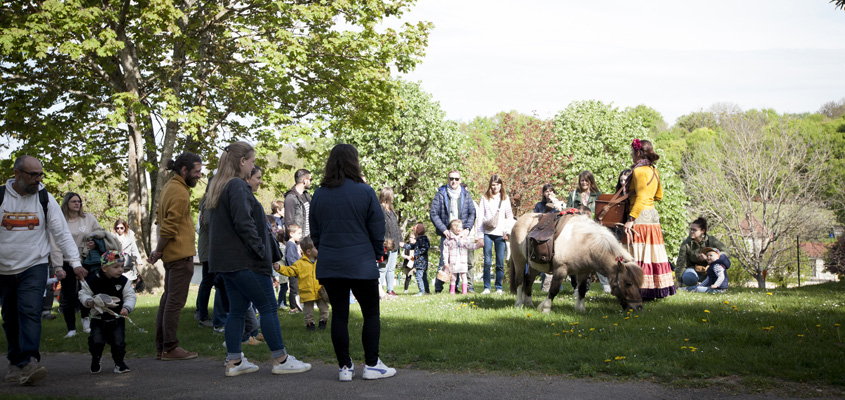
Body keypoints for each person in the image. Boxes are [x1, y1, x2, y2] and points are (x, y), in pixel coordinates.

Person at [206, 141, 311, 377]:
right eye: (252, 161)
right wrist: (262, 253)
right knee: (268, 307)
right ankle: (281, 360)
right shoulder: (237, 186)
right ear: (242, 161)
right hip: (245, 262)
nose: (253, 166)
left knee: (237, 309)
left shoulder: (219, 186)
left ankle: (234, 361)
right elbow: (245, 225)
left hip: (227, 263)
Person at [310, 143, 396, 382]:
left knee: (339, 315)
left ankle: (344, 367)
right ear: (354, 162)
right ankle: (371, 364)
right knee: (370, 314)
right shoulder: (365, 191)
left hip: (330, 263)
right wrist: (374, 250)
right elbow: (377, 228)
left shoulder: (319, 193)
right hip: (360, 263)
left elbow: (314, 231)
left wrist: (325, 247)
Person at [1, 155, 81, 385]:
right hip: (3, 269)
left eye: (40, 175)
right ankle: (15, 363)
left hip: (34, 265)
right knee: (10, 317)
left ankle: (29, 361)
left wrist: (74, 263)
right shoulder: (1, 197)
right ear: (17, 174)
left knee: (29, 310)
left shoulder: (45, 198)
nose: (38, 179)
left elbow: (61, 233)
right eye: (33, 175)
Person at [148, 152, 202, 361]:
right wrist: (159, 250)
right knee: (174, 303)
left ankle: (162, 348)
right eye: (196, 171)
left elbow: (160, 220)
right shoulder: (179, 192)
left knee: (167, 301)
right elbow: (168, 227)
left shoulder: (170, 186)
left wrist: (159, 251)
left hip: (173, 256)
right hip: (180, 256)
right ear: (184, 170)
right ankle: (170, 348)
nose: (199, 175)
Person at [623, 139, 675, 300]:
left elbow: (641, 197)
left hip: (640, 216)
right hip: (652, 215)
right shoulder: (654, 170)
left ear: (638, 153)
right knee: (652, 254)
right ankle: (653, 290)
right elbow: (659, 196)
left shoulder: (638, 172)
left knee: (638, 253)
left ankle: (639, 290)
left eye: (632, 152)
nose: (631, 155)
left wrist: (631, 218)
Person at [51, 192, 103, 338]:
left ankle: (86, 322)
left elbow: (100, 232)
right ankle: (71, 328)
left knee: (86, 292)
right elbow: (54, 245)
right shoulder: (59, 221)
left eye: (79, 201)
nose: (77, 203)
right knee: (68, 295)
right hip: (66, 262)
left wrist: (94, 241)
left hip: (86, 261)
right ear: (66, 203)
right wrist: (58, 267)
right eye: (73, 201)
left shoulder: (87, 218)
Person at [79, 251, 136, 374]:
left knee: (118, 342)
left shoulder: (123, 281)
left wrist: (127, 307)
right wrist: (88, 301)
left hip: (117, 317)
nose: (120, 270)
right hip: (98, 318)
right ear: (104, 268)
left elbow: (130, 296)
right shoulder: (92, 281)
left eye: (122, 266)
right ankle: (96, 358)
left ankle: (119, 363)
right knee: (97, 341)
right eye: (115, 267)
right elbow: (83, 294)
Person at [429, 170, 476, 294]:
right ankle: (438, 289)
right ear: (448, 179)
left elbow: (472, 213)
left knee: (461, 260)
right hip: (447, 233)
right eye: (451, 178)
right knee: (444, 260)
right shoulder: (441, 193)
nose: (453, 181)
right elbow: (433, 213)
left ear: (460, 180)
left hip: (462, 233)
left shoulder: (466, 194)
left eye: (456, 179)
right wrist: (443, 229)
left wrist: (467, 229)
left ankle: (456, 288)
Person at [277, 237, 329, 332]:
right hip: (307, 292)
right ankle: (310, 326)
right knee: (308, 312)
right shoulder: (300, 264)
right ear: (309, 251)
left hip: (320, 291)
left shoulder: (321, 261)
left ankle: (323, 323)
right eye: (316, 248)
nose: (318, 250)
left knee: (324, 309)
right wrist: (279, 268)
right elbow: (290, 270)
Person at [478, 175, 513, 294]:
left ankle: (499, 288)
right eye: (493, 184)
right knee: (487, 262)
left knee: (500, 262)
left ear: (501, 185)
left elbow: (509, 216)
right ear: (490, 185)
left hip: (500, 234)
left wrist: (508, 232)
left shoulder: (505, 198)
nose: (495, 187)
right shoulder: (484, 198)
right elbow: (480, 217)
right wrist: (480, 236)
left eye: (497, 184)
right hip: (488, 233)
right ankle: (487, 287)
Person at [676, 217, 729, 287]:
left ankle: (710, 285)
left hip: (711, 270)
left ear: (702, 231)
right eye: (691, 229)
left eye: (694, 230)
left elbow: (726, 252)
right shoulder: (686, 244)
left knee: (715, 275)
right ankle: (696, 286)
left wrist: (709, 257)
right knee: (688, 277)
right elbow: (681, 263)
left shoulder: (711, 240)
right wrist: (679, 281)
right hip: (694, 269)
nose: (691, 231)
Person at [443, 219, 484, 294]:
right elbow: (445, 251)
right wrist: (446, 262)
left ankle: (464, 292)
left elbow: (470, 245)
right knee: (453, 277)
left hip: (462, 260)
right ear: (452, 229)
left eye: (460, 227)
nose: (459, 229)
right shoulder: (448, 239)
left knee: (464, 276)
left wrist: (478, 245)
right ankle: (452, 291)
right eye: (457, 227)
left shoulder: (464, 238)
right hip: (453, 261)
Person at [378, 187, 401, 297]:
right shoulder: (379, 209)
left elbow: (396, 227)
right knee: (383, 268)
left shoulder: (392, 211)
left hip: (394, 244)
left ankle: (390, 289)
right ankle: (379, 289)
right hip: (385, 245)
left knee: (391, 269)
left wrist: (400, 240)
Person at [403, 223, 431, 296]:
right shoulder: (421, 239)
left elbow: (424, 249)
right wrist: (404, 245)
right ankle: (427, 291)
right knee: (424, 276)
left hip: (420, 262)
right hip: (423, 262)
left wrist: (416, 255)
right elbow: (412, 246)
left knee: (419, 276)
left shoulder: (421, 240)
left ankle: (421, 291)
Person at [284, 169, 312, 237]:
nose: (311, 182)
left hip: (308, 240)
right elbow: (289, 224)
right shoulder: (290, 198)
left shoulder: (306, 196)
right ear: (305, 181)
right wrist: (297, 243)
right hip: (298, 242)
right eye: (310, 179)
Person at [112, 219, 141, 286]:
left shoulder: (130, 237)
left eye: (121, 228)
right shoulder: (112, 237)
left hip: (128, 263)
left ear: (125, 227)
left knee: (128, 281)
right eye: (117, 228)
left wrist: (139, 261)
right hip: (116, 262)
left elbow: (134, 249)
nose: (119, 230)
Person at [285, 224, 304, 313]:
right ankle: (293, 308)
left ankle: (298, 305)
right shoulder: (290, 244)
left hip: (296, 271)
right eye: (298, 233)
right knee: (294, 289)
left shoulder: (294, 244)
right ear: (291, 234)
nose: (300, 235)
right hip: (293, 271)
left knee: (297, 289)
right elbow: (290, 259)